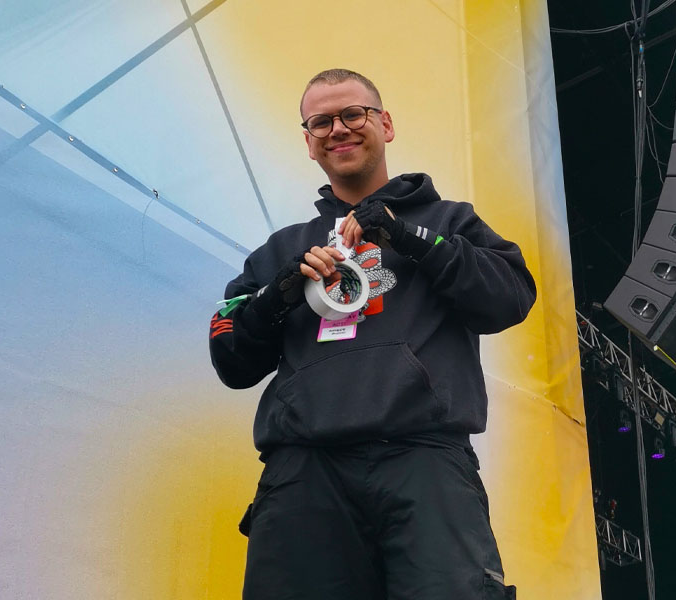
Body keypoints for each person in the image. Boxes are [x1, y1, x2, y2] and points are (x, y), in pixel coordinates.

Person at [208, 68, 534, 600]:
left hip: (424, 460)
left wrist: (409, 237)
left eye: (353, 114)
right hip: (304, 471)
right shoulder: (278, 250)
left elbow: (510, 298)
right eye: (321, 122)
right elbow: (230, 359)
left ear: (385, 123)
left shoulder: (451, 221)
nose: (338, 129)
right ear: (309, 143)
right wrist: (282, 292)